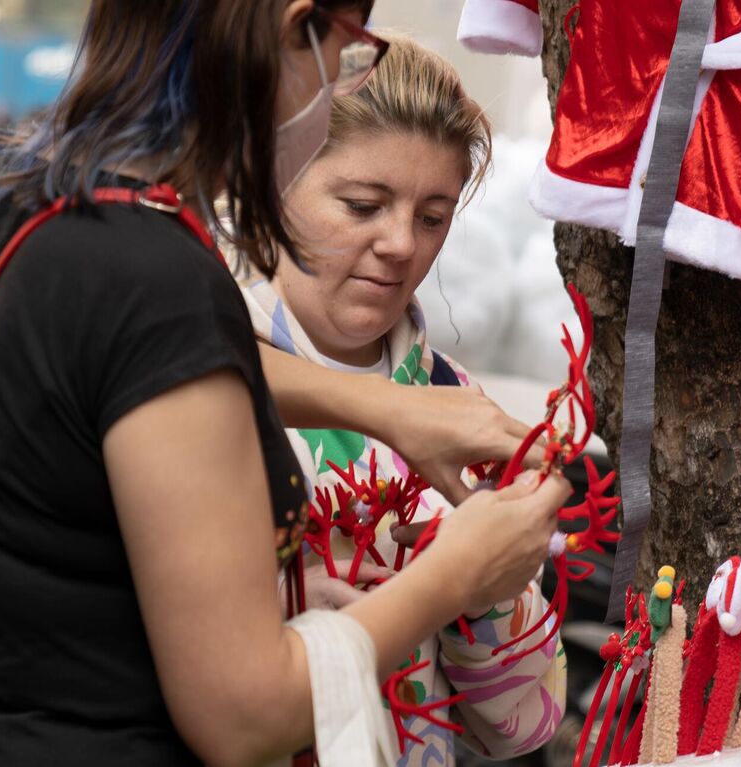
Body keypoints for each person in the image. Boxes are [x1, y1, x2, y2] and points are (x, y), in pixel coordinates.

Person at [0, 3, 569, 766]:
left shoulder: (10, 198)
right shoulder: (155, 279)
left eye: (433, 216)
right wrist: (458, 573)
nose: (397, 244)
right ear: (295, 33)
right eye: (348, 55)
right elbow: (245, 715)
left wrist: (387, 409)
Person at [236, 35, 564, 763]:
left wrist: (484, 587)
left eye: (432, 216)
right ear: (274, 181)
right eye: (362, 205)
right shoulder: (190, 368)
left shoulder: (454, 402)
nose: (398, 245)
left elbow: (524, 723)